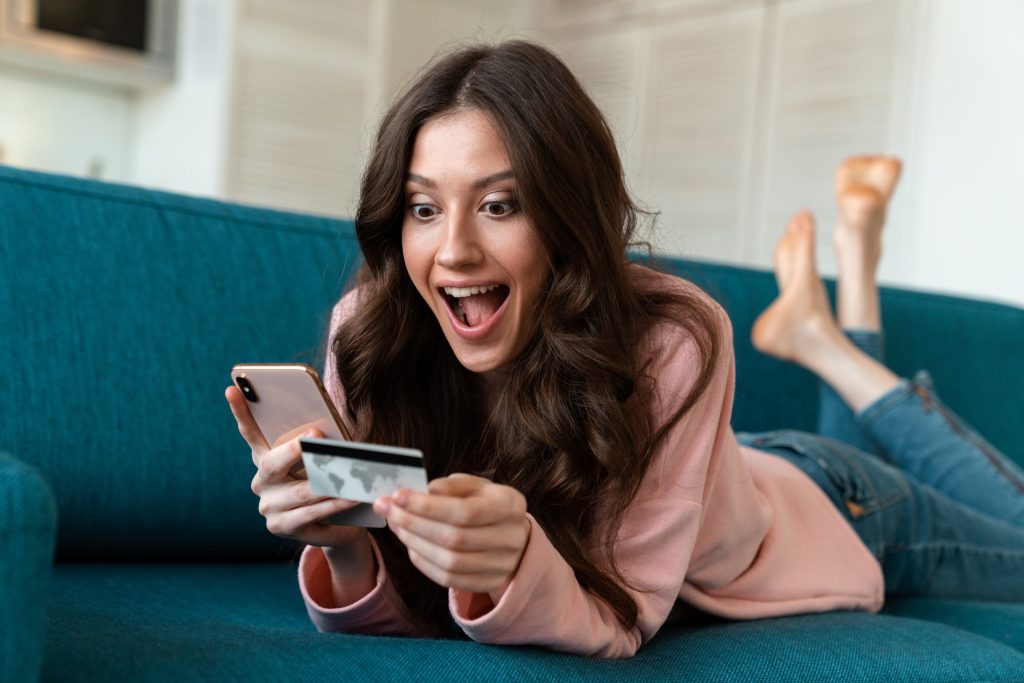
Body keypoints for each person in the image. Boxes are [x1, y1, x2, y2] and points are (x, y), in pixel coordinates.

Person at [224, 41, 1024, 659]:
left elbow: (620, 621)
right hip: (726, 472)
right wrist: (341, 540)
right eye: (423, 208)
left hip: (839, 505)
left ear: (568, 215)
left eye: (500, 204)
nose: (454, 250)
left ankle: (836, 332)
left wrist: (513, 558)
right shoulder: (373, 329)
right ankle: (838, 308)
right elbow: (403, 622)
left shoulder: (674, 334)